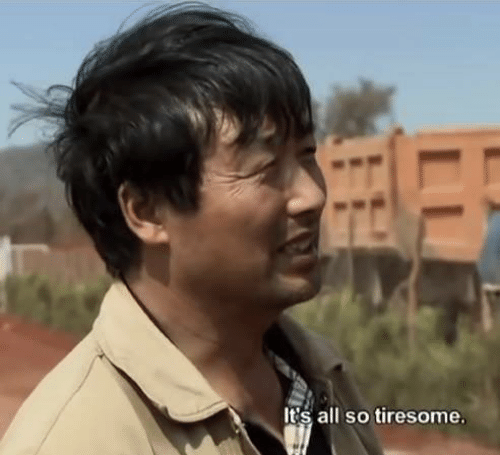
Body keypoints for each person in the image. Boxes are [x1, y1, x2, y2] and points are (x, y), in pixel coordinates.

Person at [0, 3, 383, 454]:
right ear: (147, 211)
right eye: (265, 168)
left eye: (307, 154)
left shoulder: (321, 374)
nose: (312, 196)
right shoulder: (77, 441)